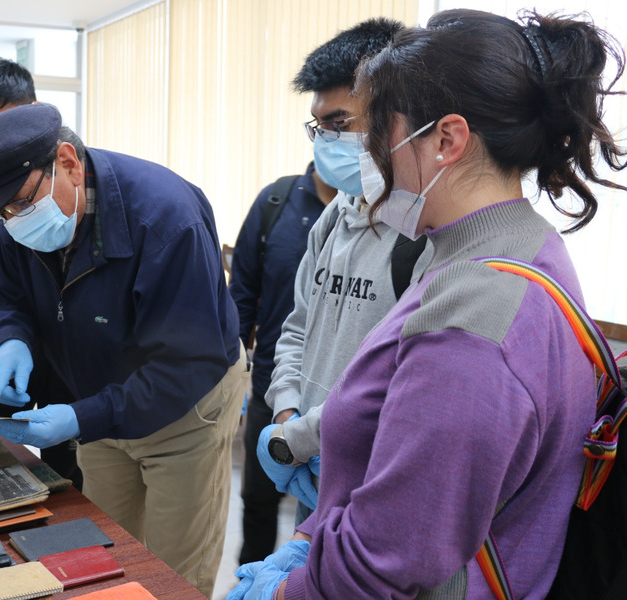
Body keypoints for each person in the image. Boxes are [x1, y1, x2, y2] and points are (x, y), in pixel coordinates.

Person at [232, 9, 626, 599]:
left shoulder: (471, 324)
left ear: (446, 139)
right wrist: (316, 537)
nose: (366, 152)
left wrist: (286, 592)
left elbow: (387, 565)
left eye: (378, 131)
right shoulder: (511, 245)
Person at [0, 103, 247, 598]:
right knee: (103, 555)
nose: (14, 221)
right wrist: (7, 342)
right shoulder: (21, 217)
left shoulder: (166, 220)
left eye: (20, 204)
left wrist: (82, 416)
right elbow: (6, 299)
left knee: (171, 575)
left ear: (67, 162)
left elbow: (184, 366)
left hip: (184, 411)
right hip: (96, 402)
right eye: (1, 214)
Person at [255, 18, 427, 523]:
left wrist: (304, 438)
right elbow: (296, 330)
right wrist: (288, 418)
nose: (325, 141)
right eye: (319, 126)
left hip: (379, 484)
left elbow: (409, 380)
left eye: (339, 123)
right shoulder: (334, 217)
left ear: (394, 115)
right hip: (311, 464)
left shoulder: (426, 233)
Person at [0, 57, 82, 489]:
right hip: (8, 326)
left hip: (67, 334)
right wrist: (7, 341)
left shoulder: (69, 166)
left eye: (6, 122)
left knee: (65, 462)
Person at [229, 163, 329, 564]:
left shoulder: (382, 209)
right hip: (272, 385)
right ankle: (251, 581)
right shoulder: (277, 202)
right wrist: (233, 369)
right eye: (325, 125)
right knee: (257, 498)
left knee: (325, 511)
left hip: (337, 397)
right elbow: (241, 293)